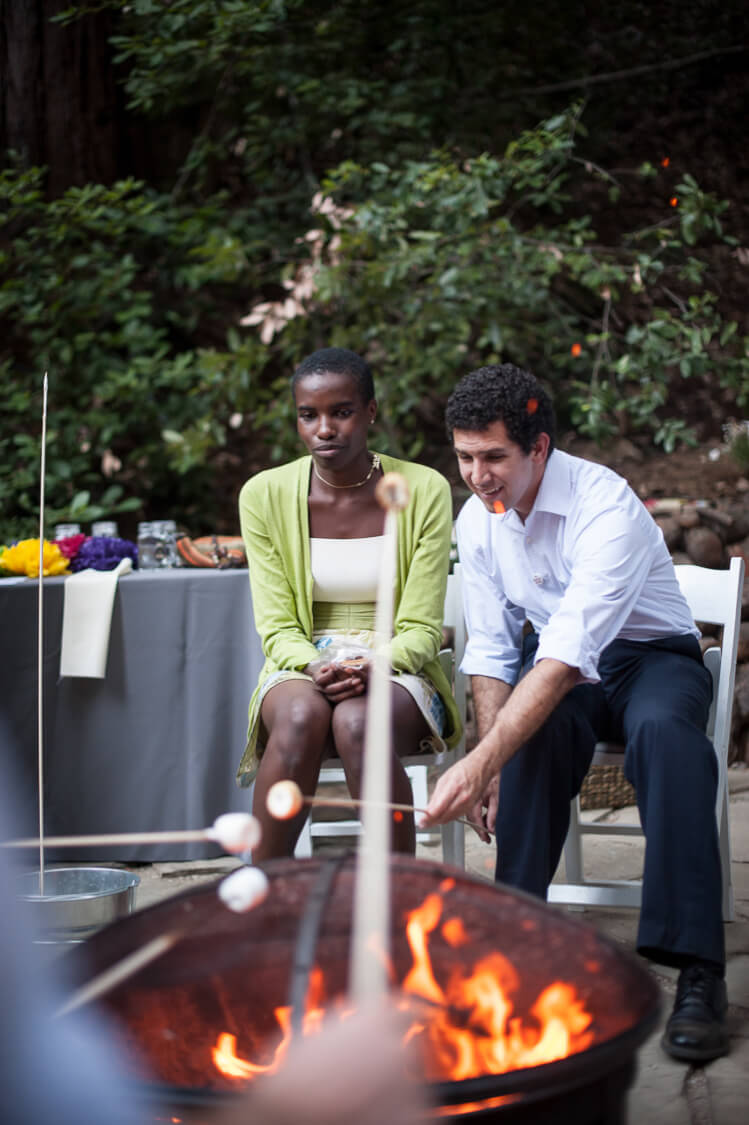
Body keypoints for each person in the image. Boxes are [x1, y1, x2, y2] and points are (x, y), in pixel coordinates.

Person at [420, 363, 729, 1063]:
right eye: (464, 456)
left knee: (665, 736)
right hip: (562, 672)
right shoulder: (477, 520)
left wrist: (478, 759)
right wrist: (492, 755)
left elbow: (561, 656)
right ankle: (516, 947)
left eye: (493, 455)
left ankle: (697, 972)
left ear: (538, 447)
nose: (477, 474)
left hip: (651, 659)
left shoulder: (604, 505)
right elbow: (495, 650)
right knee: (526, 743)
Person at [237, 347, 461, 858]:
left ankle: (397, 895)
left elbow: (423, 628)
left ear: (371, 412)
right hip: (301, 660)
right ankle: (263, 893)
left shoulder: (421, 488)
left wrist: (374, 663)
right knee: (298, 719)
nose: (324, 428)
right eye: (308, 414)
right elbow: (276, 629)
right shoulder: (263, 496)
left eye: (341, 412)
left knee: (359, 720)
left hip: (401, 662)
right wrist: (317, 663)